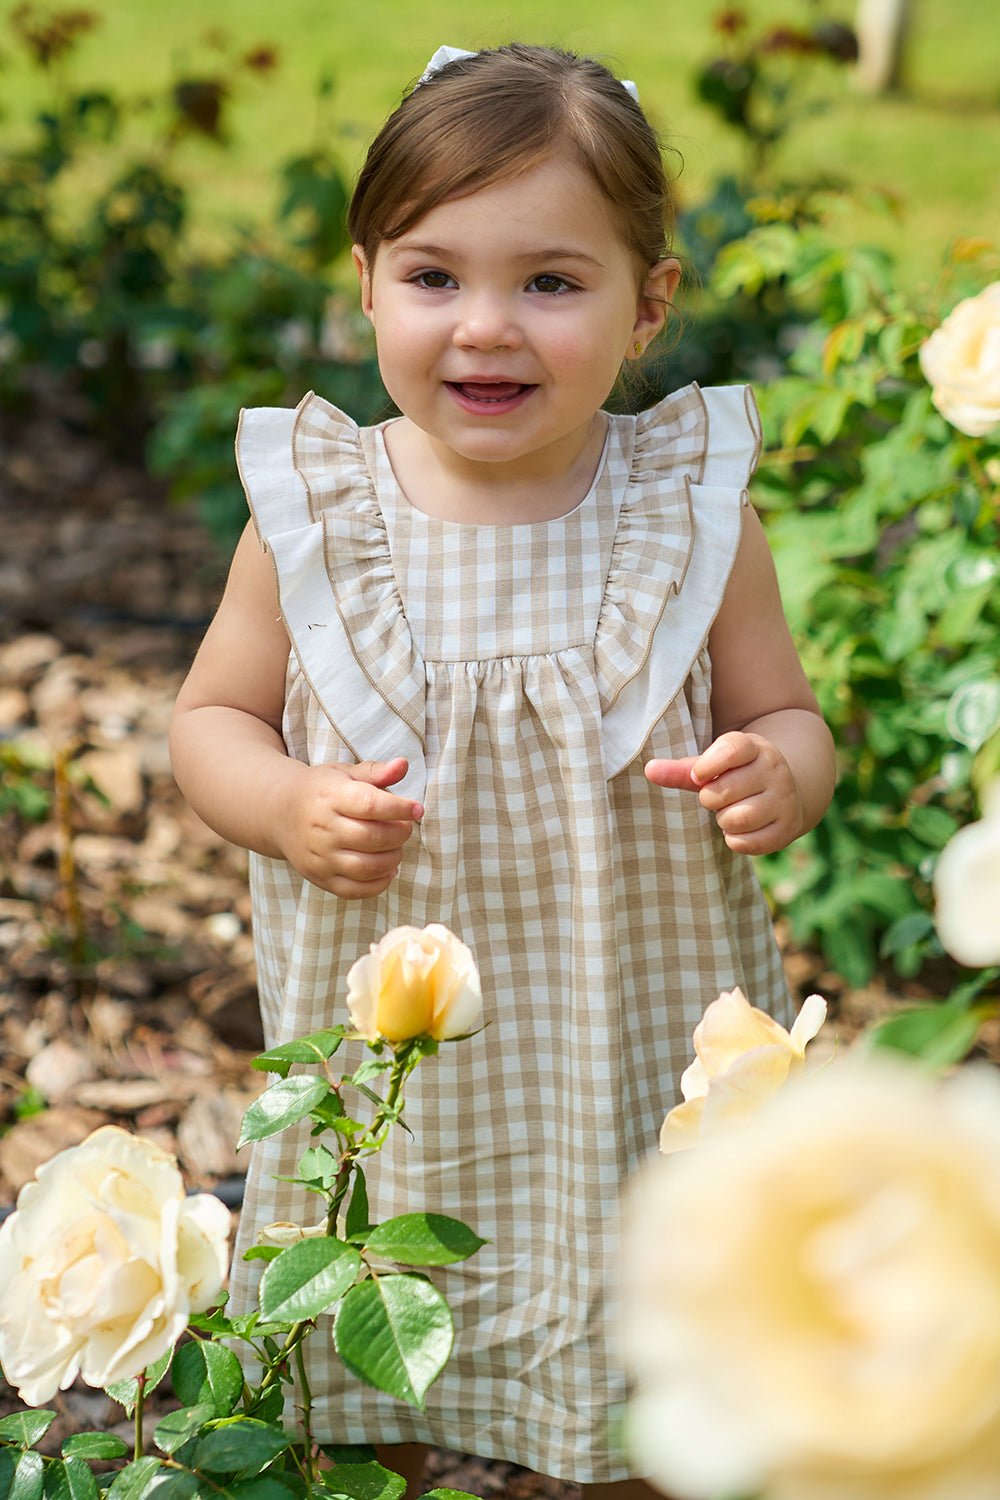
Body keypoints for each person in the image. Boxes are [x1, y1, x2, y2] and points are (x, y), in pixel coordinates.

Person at [170, 42, 836, 1500]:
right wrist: (283, 803)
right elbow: (210, 719)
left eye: (550, 281)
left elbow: (789, 714)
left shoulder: (688, 515)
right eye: (434, 276)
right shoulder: (319, 516)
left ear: (647, 303)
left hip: (632, 1039)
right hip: (396, 1060)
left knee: (649, 1329)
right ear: (366, 285)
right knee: (376, 1335)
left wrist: (780, 771)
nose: (486, 327)